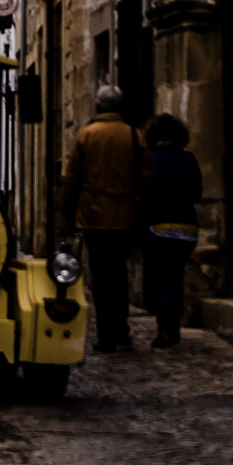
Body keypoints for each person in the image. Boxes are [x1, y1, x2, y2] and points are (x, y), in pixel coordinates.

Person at [60, 83, 149, 353]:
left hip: (93, 215)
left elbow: (73, 177)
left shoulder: (86, 135)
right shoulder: (135, 136)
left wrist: (68, 211)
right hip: (124, 215)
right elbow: (147, 176)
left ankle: (105, 335)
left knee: (100, 276)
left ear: (98, 106)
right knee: (118, 274)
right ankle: (121, 329)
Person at [142, 113, 201, 348]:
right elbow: (197, 193)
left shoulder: (148, 160)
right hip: (186, 228)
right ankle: (173, 326)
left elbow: (144, 194)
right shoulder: (187, 159)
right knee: (175, 276)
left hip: (159, 228)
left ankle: (164, 329)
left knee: (161, 280)